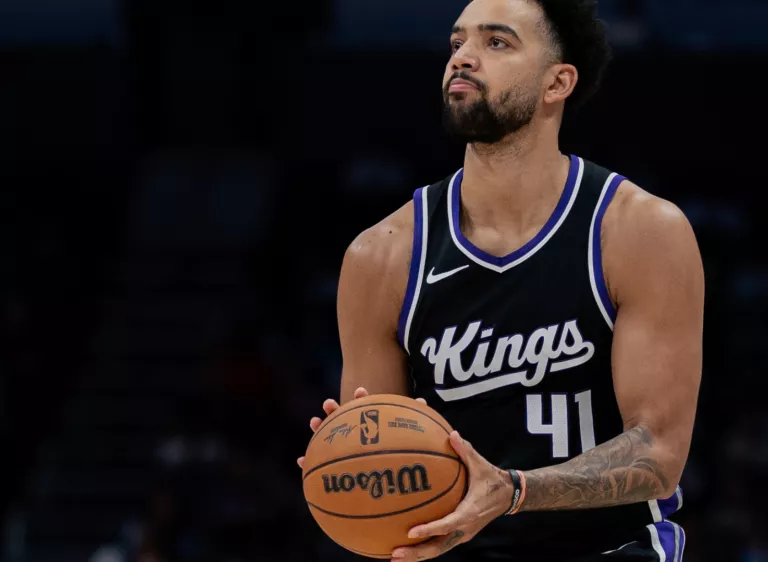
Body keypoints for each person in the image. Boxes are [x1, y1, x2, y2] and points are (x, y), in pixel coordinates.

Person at [296, 0, 704, 560]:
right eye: (457, 42)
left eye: (497, 43)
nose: (463, 58)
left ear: (556, 82)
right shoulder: (381, 257)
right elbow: (384, 484)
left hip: (611, 548)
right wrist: (353, 463)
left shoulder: (638, 231)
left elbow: (658, 454)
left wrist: (513, 492)